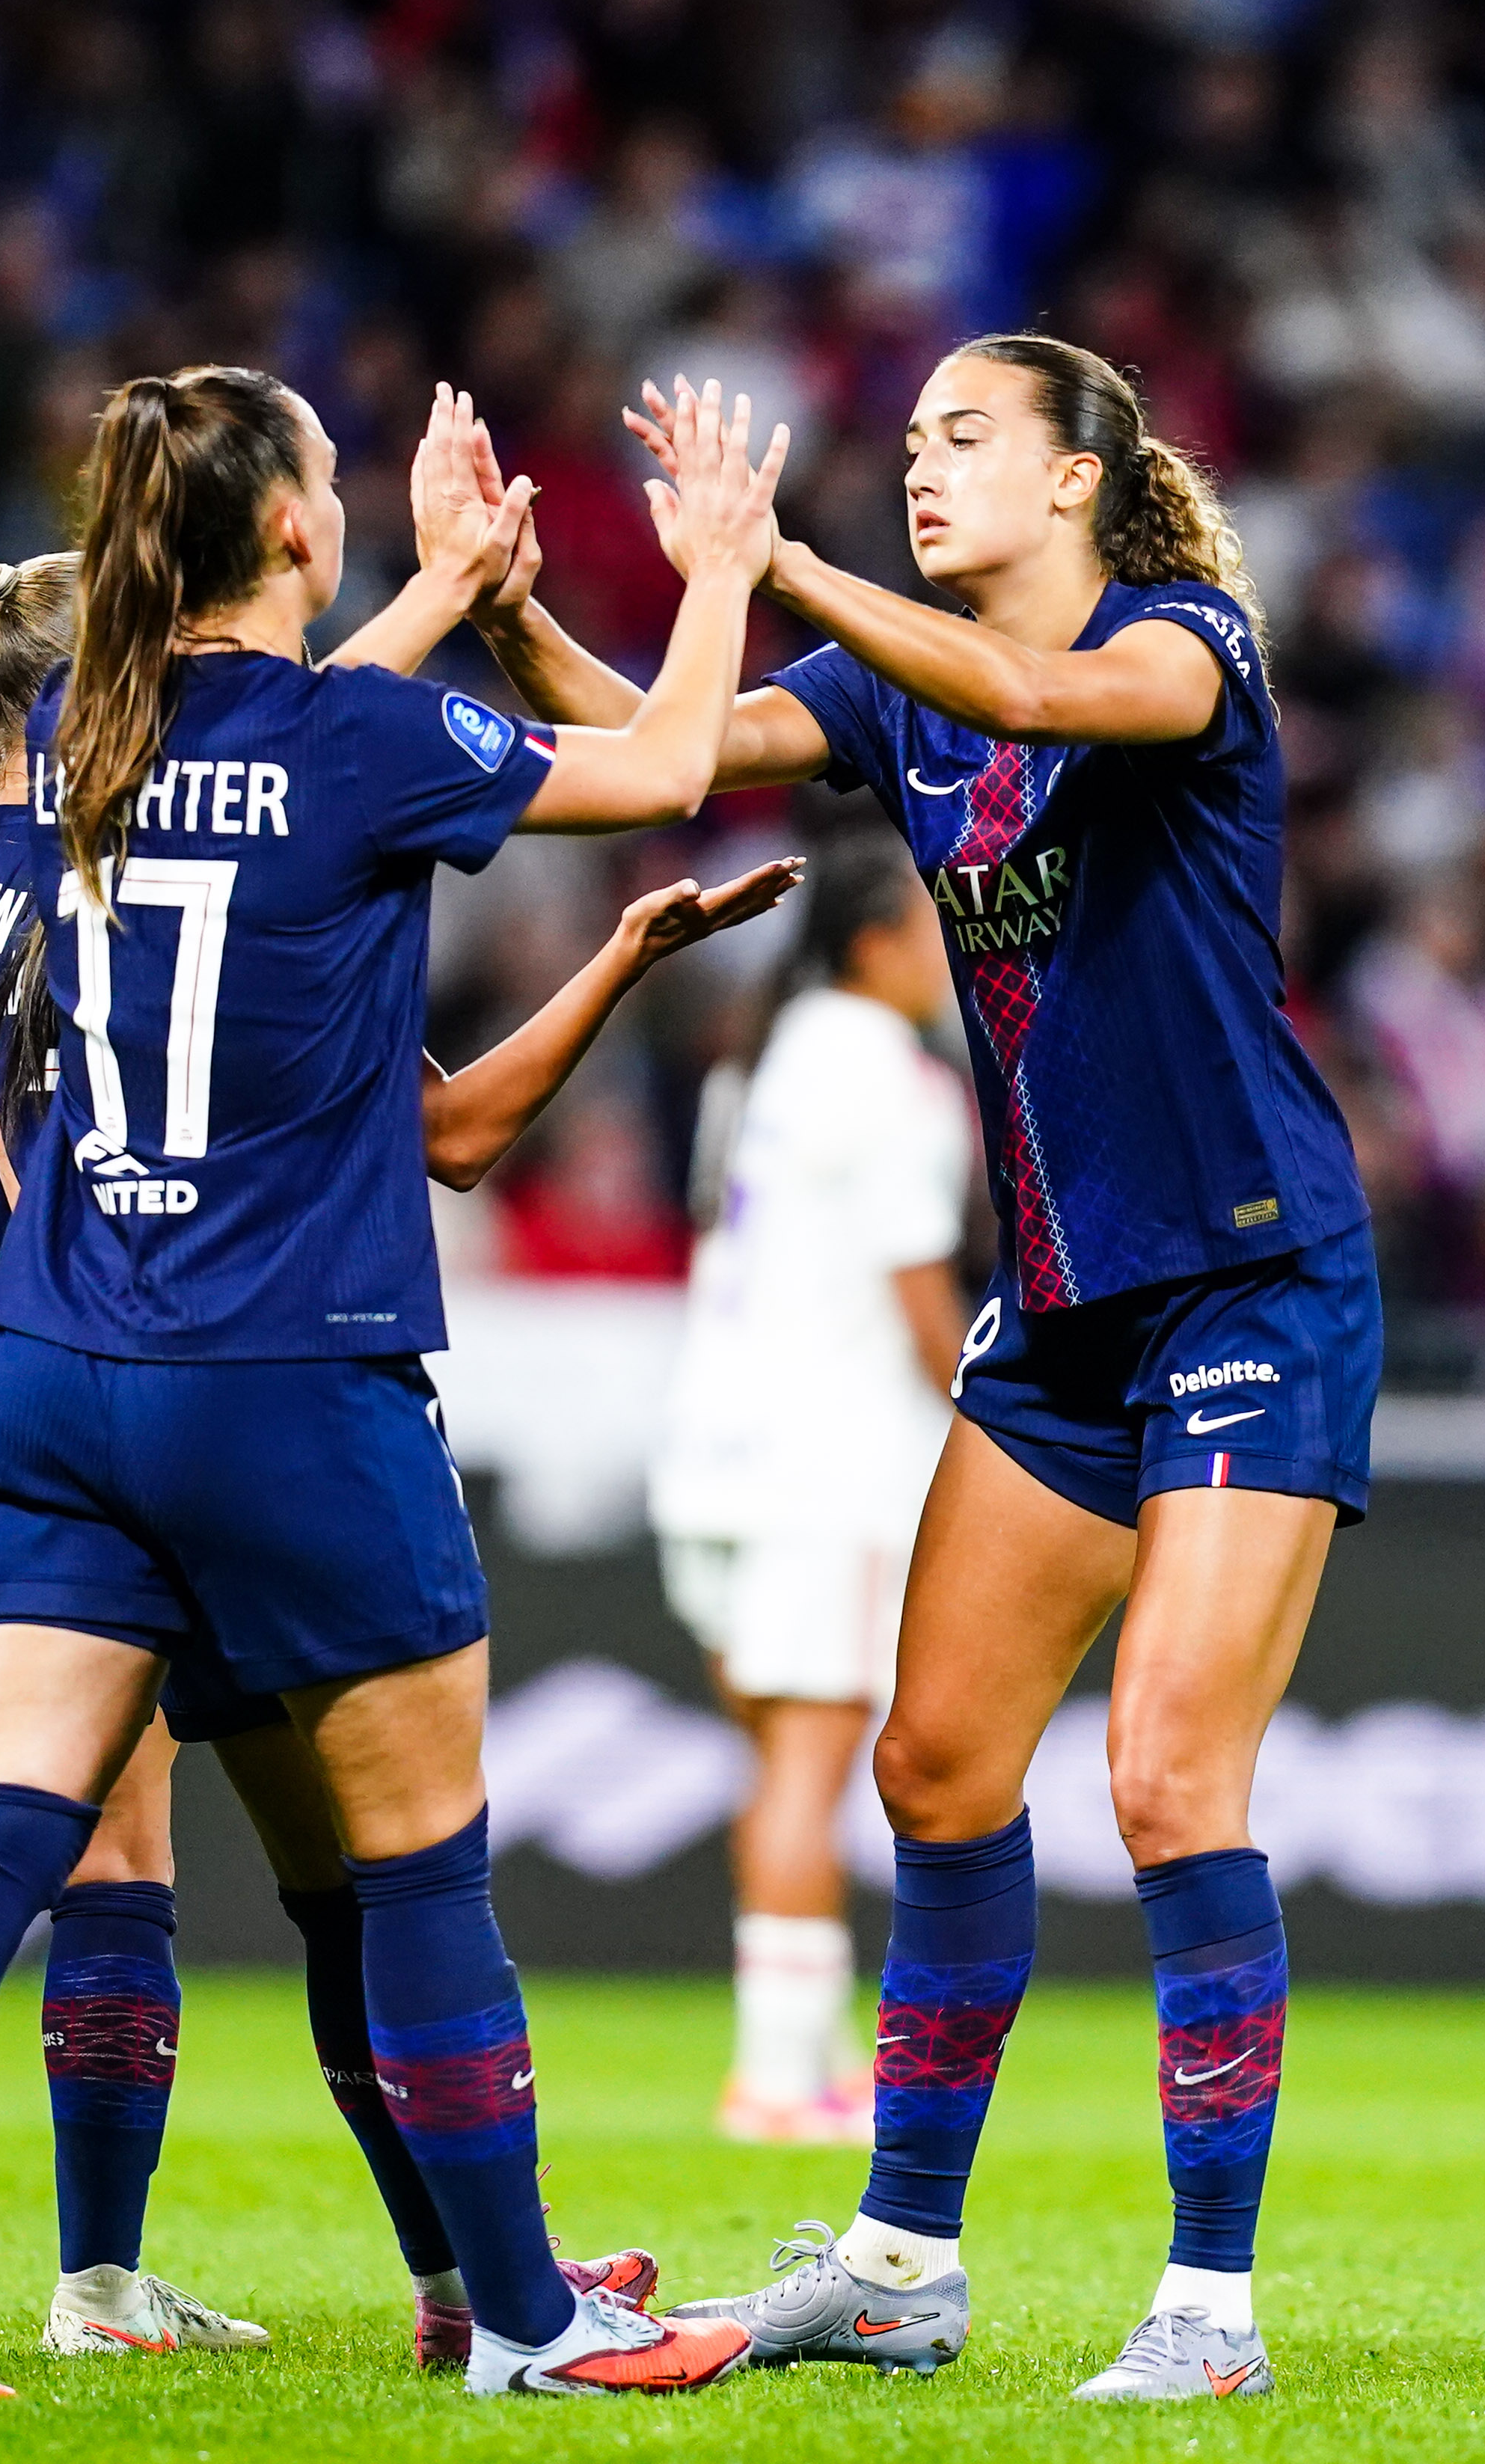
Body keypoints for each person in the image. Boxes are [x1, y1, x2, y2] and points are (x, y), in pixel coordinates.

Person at [0, 455, 795, 2377]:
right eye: (328, 481)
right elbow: (598, 789)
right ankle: (506, 2303)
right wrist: (704, 569)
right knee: (396, 1868)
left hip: (4, 1385)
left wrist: (438, 594)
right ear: (291, 529)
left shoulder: (54, 797)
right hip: (264, 1372)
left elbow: (271, 734)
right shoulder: (321, 758)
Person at [459, 337, 1377, 2403]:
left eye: (967, 439)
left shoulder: (1182, 640)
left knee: (1159, 1776)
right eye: (913, 443)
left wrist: (768, 554)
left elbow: (1039, 700)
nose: (925, 467)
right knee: (935, 1766)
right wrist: (522, 607)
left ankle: (1208, 2311)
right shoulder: (894, 688)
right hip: (1059, 1318)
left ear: (1079, 480)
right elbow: (660, 747)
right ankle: (896, 2261)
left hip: (1247, 1288)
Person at [646, 825, 968, 2145]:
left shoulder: (761, 1061)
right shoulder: (890, 1079)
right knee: (811, 1766)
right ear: (881, 938)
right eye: (938, 925)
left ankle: (806, 2050)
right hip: (828, 1464)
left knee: (779, 1760)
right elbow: (917, 1300)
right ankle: (779, 2078)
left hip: (717, 1452)